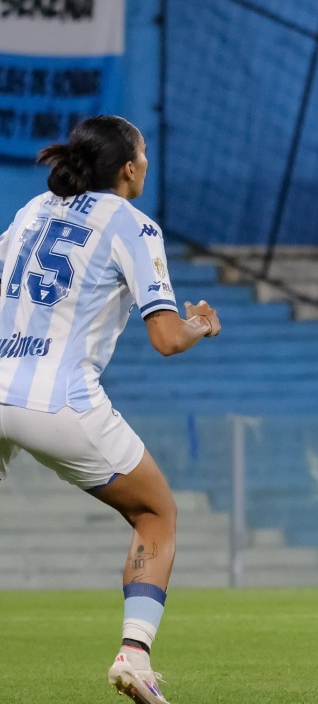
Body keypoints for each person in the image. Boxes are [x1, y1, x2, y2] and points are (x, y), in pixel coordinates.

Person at [0, 116, 222, 704]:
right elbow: (166, 339)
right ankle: (134, 657)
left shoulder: (32, 211)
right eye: (143, 154)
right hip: (60, 401)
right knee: (156, 512)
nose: (146, 162)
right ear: (127, 168)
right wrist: (201, 325)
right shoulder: (133, 224)